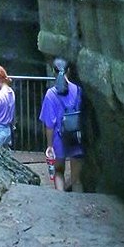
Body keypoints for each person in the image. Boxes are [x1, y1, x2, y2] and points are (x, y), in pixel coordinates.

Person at [39, 57, 83, 192]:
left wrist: (50, 146)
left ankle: (61, 201)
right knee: (77, 179)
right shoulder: (78, 90)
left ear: (53, 71)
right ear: (69, 71)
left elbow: (49, 124)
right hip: (76, 136)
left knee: (58, 171)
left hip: (59, 137)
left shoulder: (50, 95)